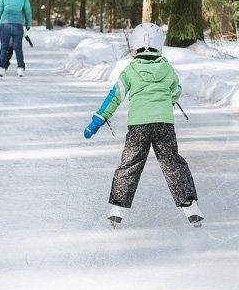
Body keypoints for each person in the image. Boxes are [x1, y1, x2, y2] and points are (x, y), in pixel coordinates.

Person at [83, 22, 203, 227]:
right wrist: (167, 100)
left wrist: (98, 120)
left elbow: (115, 96)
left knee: (130, 164)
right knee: (172, 163)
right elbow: (176, 90)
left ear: (135, 44)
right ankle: (190, 206)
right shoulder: (167, 69)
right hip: (164, 125)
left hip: (138, 126)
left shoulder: (130, 71)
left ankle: (117, 209)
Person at [0, 0, 32, 78]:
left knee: (4, 47)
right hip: (18, 24)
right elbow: (28, 11)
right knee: (18, 48)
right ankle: (20, 69)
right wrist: (28, 24)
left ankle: (2, 69)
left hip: (4, 24)